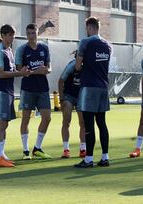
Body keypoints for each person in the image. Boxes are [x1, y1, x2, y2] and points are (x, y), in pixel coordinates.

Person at [74, 17, 112, 168]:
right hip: (103, 87)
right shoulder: (107, 45)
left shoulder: (85, 42)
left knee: (88, 124)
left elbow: (77, 66)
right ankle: (105, 157)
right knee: (102, 123)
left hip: (89, 87)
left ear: (89, 28)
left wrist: (80, 60)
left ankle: (89, 159)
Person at [0, 24, 31, 167]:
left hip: (8, 91)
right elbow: (1, 73)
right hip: (1, 91)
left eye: (13, 35)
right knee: (0, 123)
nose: (13, 38)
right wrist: (20, 73)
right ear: (3, 35)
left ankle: (1, 154)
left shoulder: (9, 50)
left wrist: (24, 71)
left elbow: (13, 69)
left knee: (5, 123)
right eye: (10, 35)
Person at [15, 23, 52, 160]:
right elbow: (21, 71)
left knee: (47, 118)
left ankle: (37, 148)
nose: (32, 35)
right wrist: (38, 71)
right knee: (25, 119)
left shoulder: (44, 48)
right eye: (29, 33)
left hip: (43, 88)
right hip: (28, 89)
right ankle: (25, 151)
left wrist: (46, 70)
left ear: (37, 33)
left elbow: (49, 68)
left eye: (34, 33)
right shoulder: (22, 50)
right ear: (26, 34)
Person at [58, 50, 86, 159]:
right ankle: (66, 149)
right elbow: (61, 81)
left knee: (83, 122)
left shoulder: (88, 67)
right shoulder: (71, 66)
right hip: (69, 96)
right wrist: (61, 99)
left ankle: (83, 149)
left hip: (81, 97)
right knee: (66, 121)